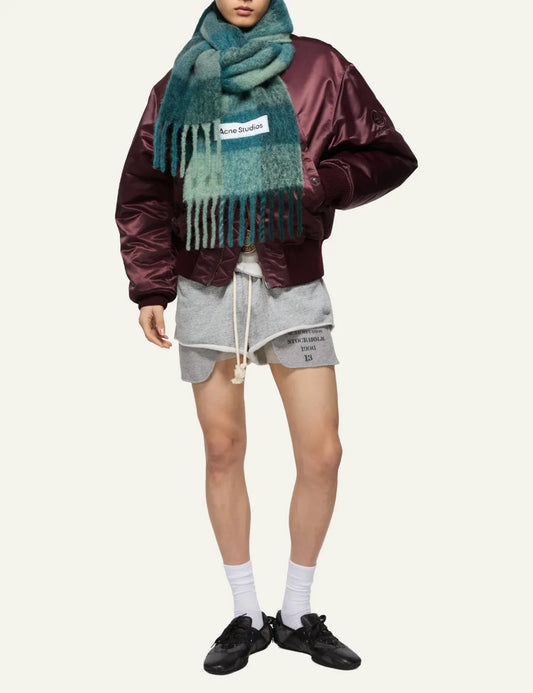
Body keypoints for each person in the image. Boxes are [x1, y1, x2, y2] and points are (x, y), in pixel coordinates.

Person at [115, 0, 418, 676]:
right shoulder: (178, 82)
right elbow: (142, 192)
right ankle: (247, 615)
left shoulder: (319, 67)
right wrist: (151, 287)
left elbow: (388, 154)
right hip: (206, 284)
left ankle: (297, 613)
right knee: (223, 449)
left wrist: (316, 181)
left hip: (291, 282)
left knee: (323, 452)